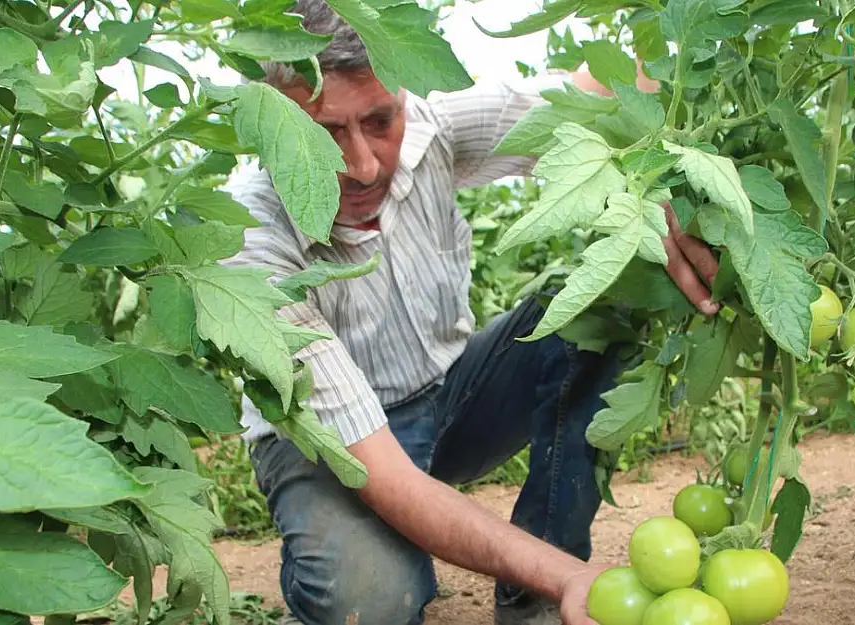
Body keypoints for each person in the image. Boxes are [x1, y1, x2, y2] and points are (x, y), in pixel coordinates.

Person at [223, 1, 722, 624]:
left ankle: (533, 596)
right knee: (370, 599)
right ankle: (528, 573)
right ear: (270, 120)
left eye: (381, 120)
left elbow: (590, 103)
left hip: (453, 401)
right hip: (326, 448)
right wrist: (575, 578)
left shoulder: (436, 128)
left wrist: (680, 28)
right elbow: (385, 474)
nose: (363, 165)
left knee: (605, 298)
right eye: (321, 133)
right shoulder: (250, 237)